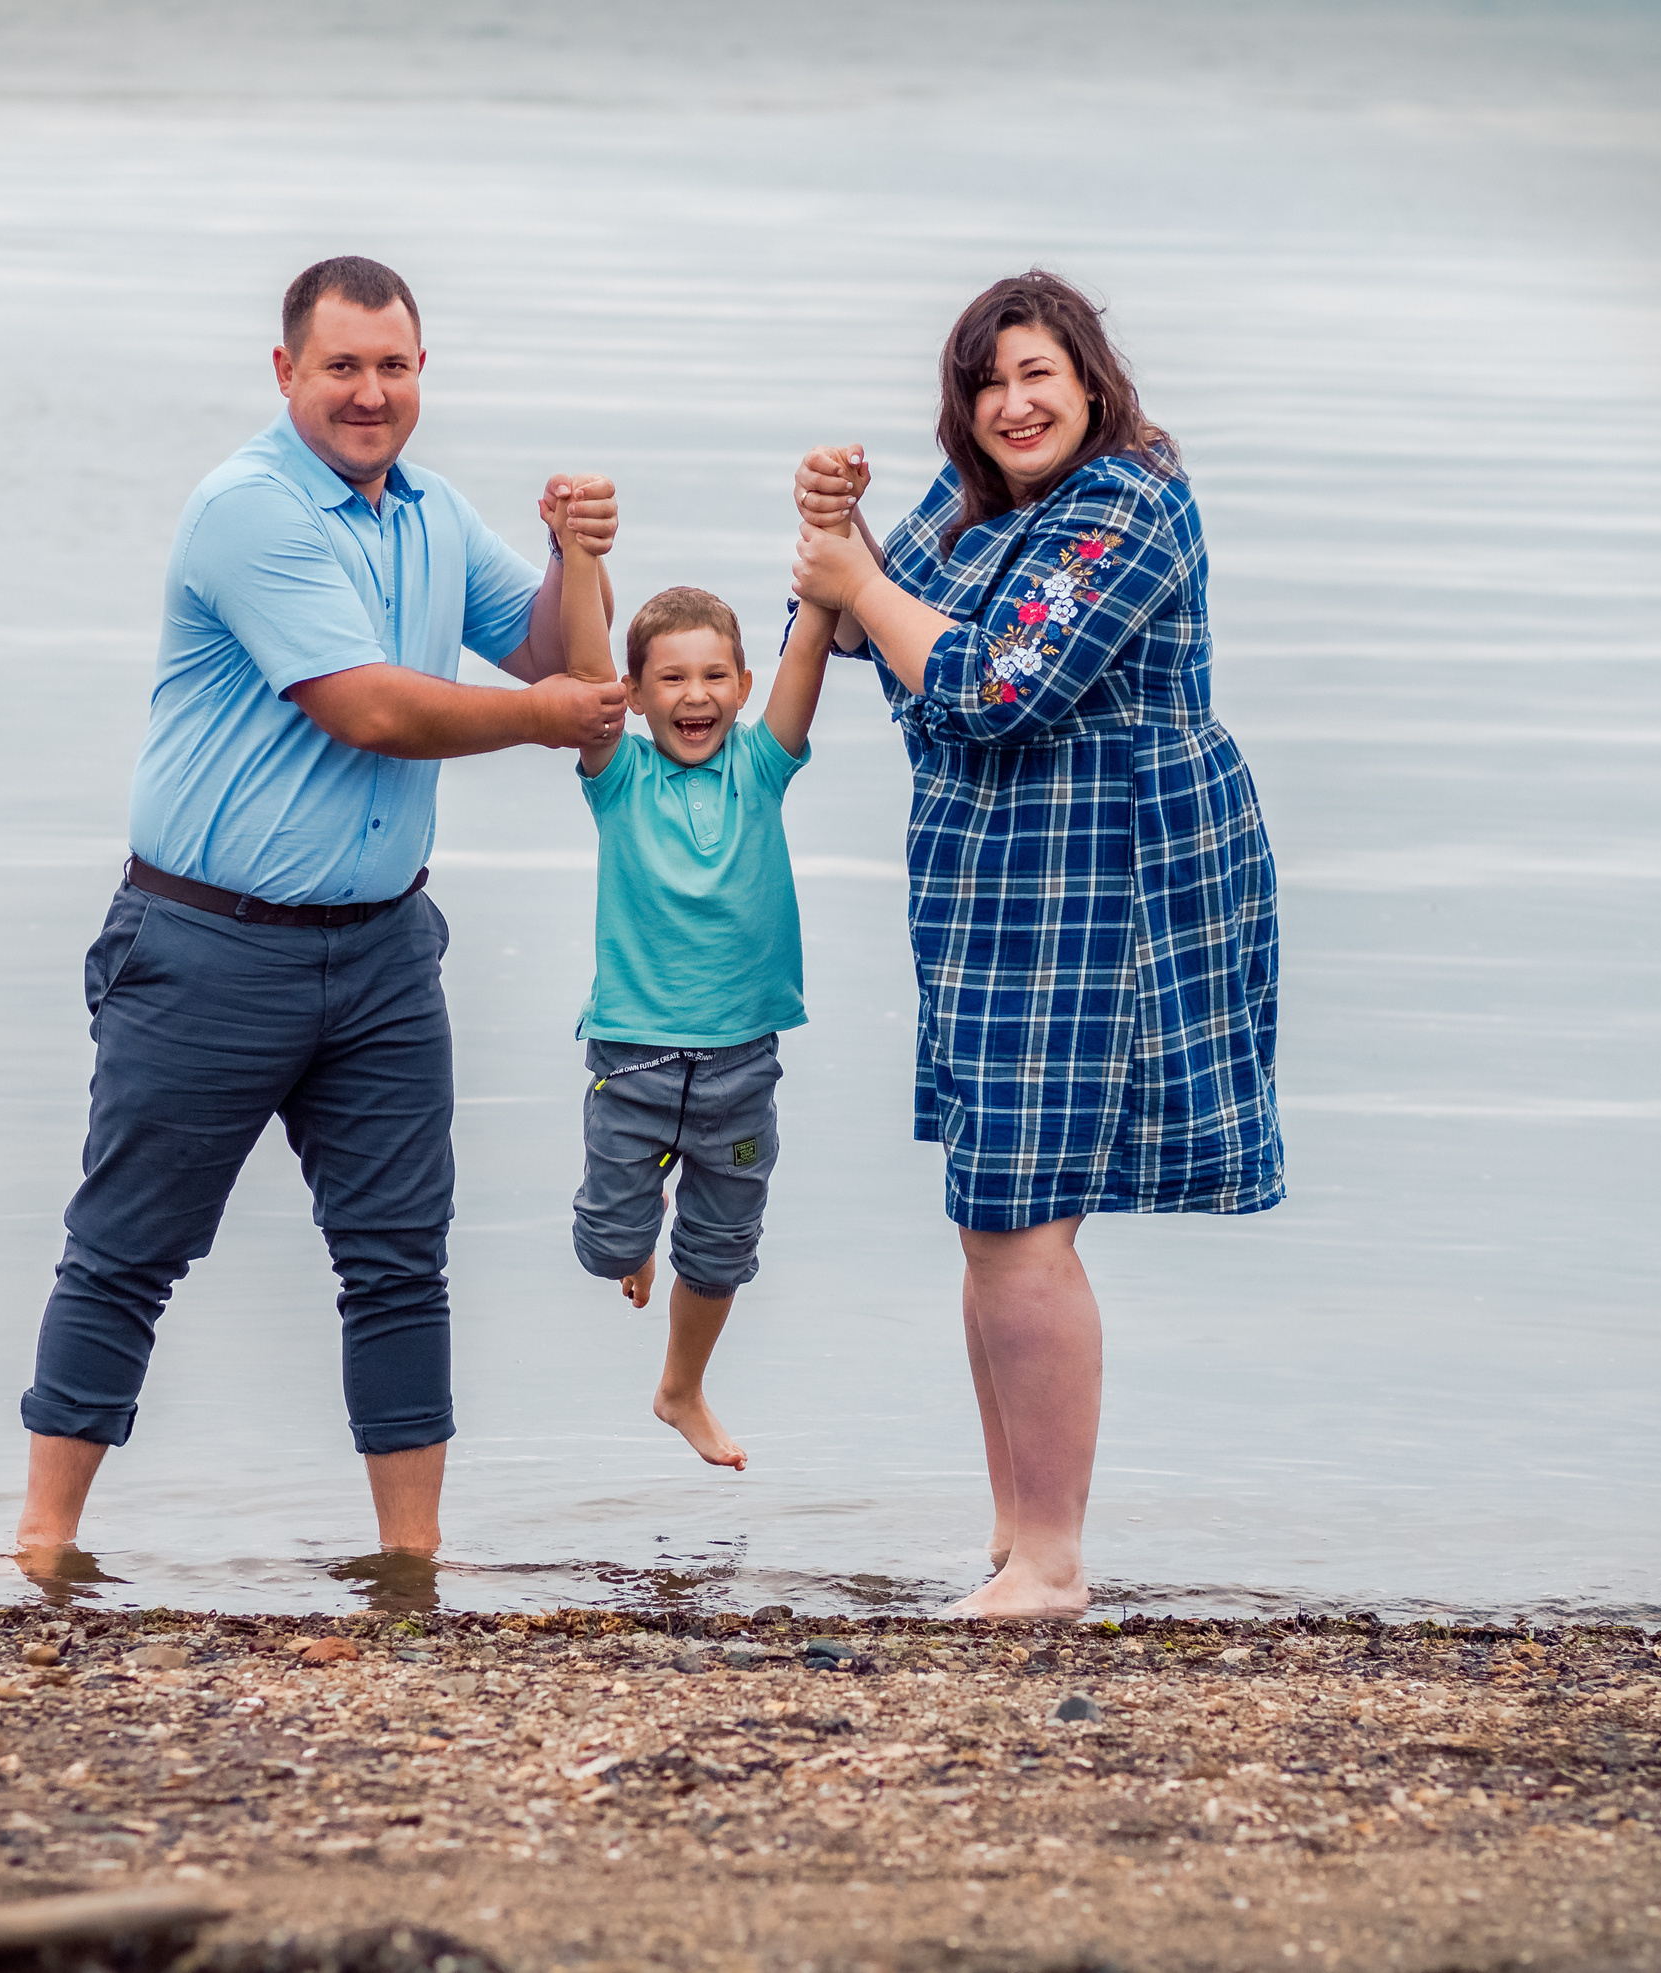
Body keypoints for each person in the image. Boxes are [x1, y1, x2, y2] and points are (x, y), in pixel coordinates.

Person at [11, 256, 627, 1586]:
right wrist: (548, 722)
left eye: (394, 366)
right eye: (342, 366)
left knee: (401, 1264)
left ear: (422, 374)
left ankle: (411, 1568)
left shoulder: (434, 513)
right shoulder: (247, 510)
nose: (370, 393)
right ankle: (41, 1550)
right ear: (286, 371)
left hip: (386, 952)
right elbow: (374, 709)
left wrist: (583, 558)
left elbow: (564, 659)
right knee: (127, 1255)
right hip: (206, 944)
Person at [788, 268, 1283, 1620]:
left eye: (1036, 375)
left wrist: (851, 577)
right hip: (992, 883)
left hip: (1103, 880)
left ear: (1090, 379)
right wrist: (839, 542)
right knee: (988, 1219)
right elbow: (848, 631)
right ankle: (1019, 1544)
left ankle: (1052, 1561)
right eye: (988, 383)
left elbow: (1001, 684)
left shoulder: (1130, 496)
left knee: (1017, 1222)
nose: (1014, 402)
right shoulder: (976, 507)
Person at [544, 477, 836, 1472]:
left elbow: (808, 648)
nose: (695, 696)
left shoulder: (761, 765)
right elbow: (586, 661)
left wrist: (829, 524)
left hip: (739, 1062)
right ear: (636, 695)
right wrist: (580, 551)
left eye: (715, 676)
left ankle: (680, 1387)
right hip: (630, 1057)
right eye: (669, 678)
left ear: (742, 688)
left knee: (721, 1250)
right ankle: (631, 1236)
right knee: (608, 1245)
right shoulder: (618, 775)